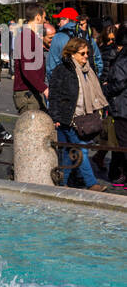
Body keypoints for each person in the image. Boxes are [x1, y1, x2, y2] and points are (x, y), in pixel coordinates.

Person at [48, 37, 109, 191]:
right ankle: (91, 183)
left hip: (85, 117)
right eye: (82, 53)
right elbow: (54, 95)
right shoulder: (62, 70)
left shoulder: (88, 70)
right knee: (80, 149)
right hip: (69, 118)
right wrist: (55, 117)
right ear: (72, 53)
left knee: (71, 150)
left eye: (87, 53)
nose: (86, 56)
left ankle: (63, 182)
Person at [13, 3, 48, 114]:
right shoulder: (27, 37)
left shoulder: (30, 36)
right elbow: (28, 69)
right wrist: (44, 88)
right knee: (31, 129)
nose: (45, 21)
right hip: (27, 93)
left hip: (32, 91)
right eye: (44, 18)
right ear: (38, 17)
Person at [105, 23, 127, 190]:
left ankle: (122, 175)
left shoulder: (123, 58)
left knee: (122, 141)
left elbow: (118, 82)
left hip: (122, 106)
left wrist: (106, 88)